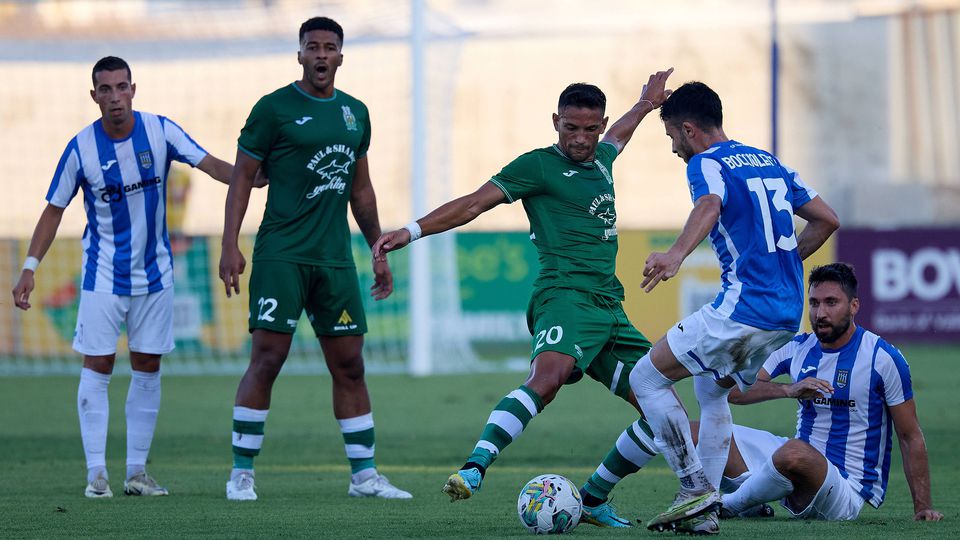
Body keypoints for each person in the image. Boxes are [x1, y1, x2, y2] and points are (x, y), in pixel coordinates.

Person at [373, 69, 675, 526]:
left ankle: (593, 497)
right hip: (564, 298)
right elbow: (474, 203)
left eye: (590, 129)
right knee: (548, 379)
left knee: (663, 412)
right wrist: (411, 231)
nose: (580, 138)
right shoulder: (536, 166)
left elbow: (619, 135)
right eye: (570, 128)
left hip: (609, 309)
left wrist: (647, 104)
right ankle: (474, 468)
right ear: (555, 121)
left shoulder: (602, 159)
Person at [11, 56, 238, 498]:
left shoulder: (160, 130)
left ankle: (137, 473)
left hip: (156, 276)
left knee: (148, 367)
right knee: (98, 365)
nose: (115, 97)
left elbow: (210, 164)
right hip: (103, 277)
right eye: (106, 90)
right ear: (93, 95)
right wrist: (29, 268)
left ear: (134, 88)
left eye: (121, 87)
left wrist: (252, 177)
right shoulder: (81, 149)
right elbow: (53, 210)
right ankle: (97, 474)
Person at [625, 81, 840, 534]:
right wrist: (783, 262)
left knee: (645, 377)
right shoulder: (770, 161)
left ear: (688, 130)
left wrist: (675, 254)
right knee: (713, 390)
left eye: (671, 139)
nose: (674, 150)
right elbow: (828, 219)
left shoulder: (706, 163)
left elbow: (708, 204)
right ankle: (705, 513)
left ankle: (691, 487)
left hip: (744, 309)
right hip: (785, 313)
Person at [219, 16, 410, 502]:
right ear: (299, 55)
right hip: (282, 255)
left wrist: (376, 248)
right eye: (312, 47)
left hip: (334, 260)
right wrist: (229, 244)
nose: (321, 55)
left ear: (341, 57)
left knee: (350, 366)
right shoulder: (273, 109)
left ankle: (364, 477)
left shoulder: (355, 113)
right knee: (268, 358)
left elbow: (360, 189)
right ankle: (242, 472)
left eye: (329, 47)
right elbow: (242, 177)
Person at [718, 263, 943, 523]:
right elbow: (735, 392)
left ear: (854, 306)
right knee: (701, 433)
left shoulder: (882, 358)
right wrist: (788, 390)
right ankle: (752, 500)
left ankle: (727, 504)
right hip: (794, 465)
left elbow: (909, 435)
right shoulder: (796, 347)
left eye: (831, 302)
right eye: (814, 303)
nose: (820, 313)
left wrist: (923, 507)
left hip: (845, 489)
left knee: (794, 452)